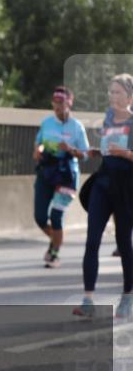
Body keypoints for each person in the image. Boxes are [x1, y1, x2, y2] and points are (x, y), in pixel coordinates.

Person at [72, 73, 133, 320]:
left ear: (130, 96)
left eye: (117, 92)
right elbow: (109, 150)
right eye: (110, 92)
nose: (112, 96)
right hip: (103, 183)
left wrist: (126, 153)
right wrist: (97, 152)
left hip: (126, 187)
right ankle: (88, 300)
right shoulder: (107, 121)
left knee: (123, 243)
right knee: (92, 241)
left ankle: (128, 296)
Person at [32, 86, 89, 268]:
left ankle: (54, 252)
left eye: (62, 102)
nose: (58, 106)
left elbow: (86, 154)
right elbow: (38, 143)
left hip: (67, 175)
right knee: (40, 217)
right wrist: (38, 151)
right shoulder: (47, 122)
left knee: (56, 215)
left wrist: (71, 150)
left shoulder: (76, 126)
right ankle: (57, 239)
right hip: (47, 172)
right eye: (55, 102)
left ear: (69, 103)